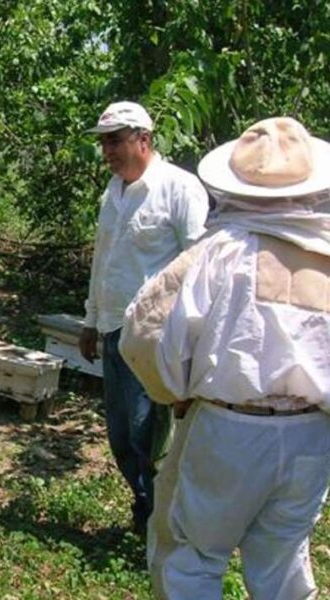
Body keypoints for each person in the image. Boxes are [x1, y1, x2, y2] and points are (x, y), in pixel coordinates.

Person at [121, 117, 330, 599]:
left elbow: (145, 333)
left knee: (192, 559)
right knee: (282, 569)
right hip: (312, 439)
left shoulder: (220, 252)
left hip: (230, 432)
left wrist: (173, 392)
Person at [78, 101, 209, 534]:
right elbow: (103, 261)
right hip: (115, 331)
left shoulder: (178, 188)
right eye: (104, 143)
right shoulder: (111, 195)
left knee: (150, 437)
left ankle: (164, 523)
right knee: (121, 435)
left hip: (157, 339)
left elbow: (201, 265)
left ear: (144, 139)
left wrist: (194, 342)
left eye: (115, 141)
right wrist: (91, 319)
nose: (107, 152)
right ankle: (147, 509)